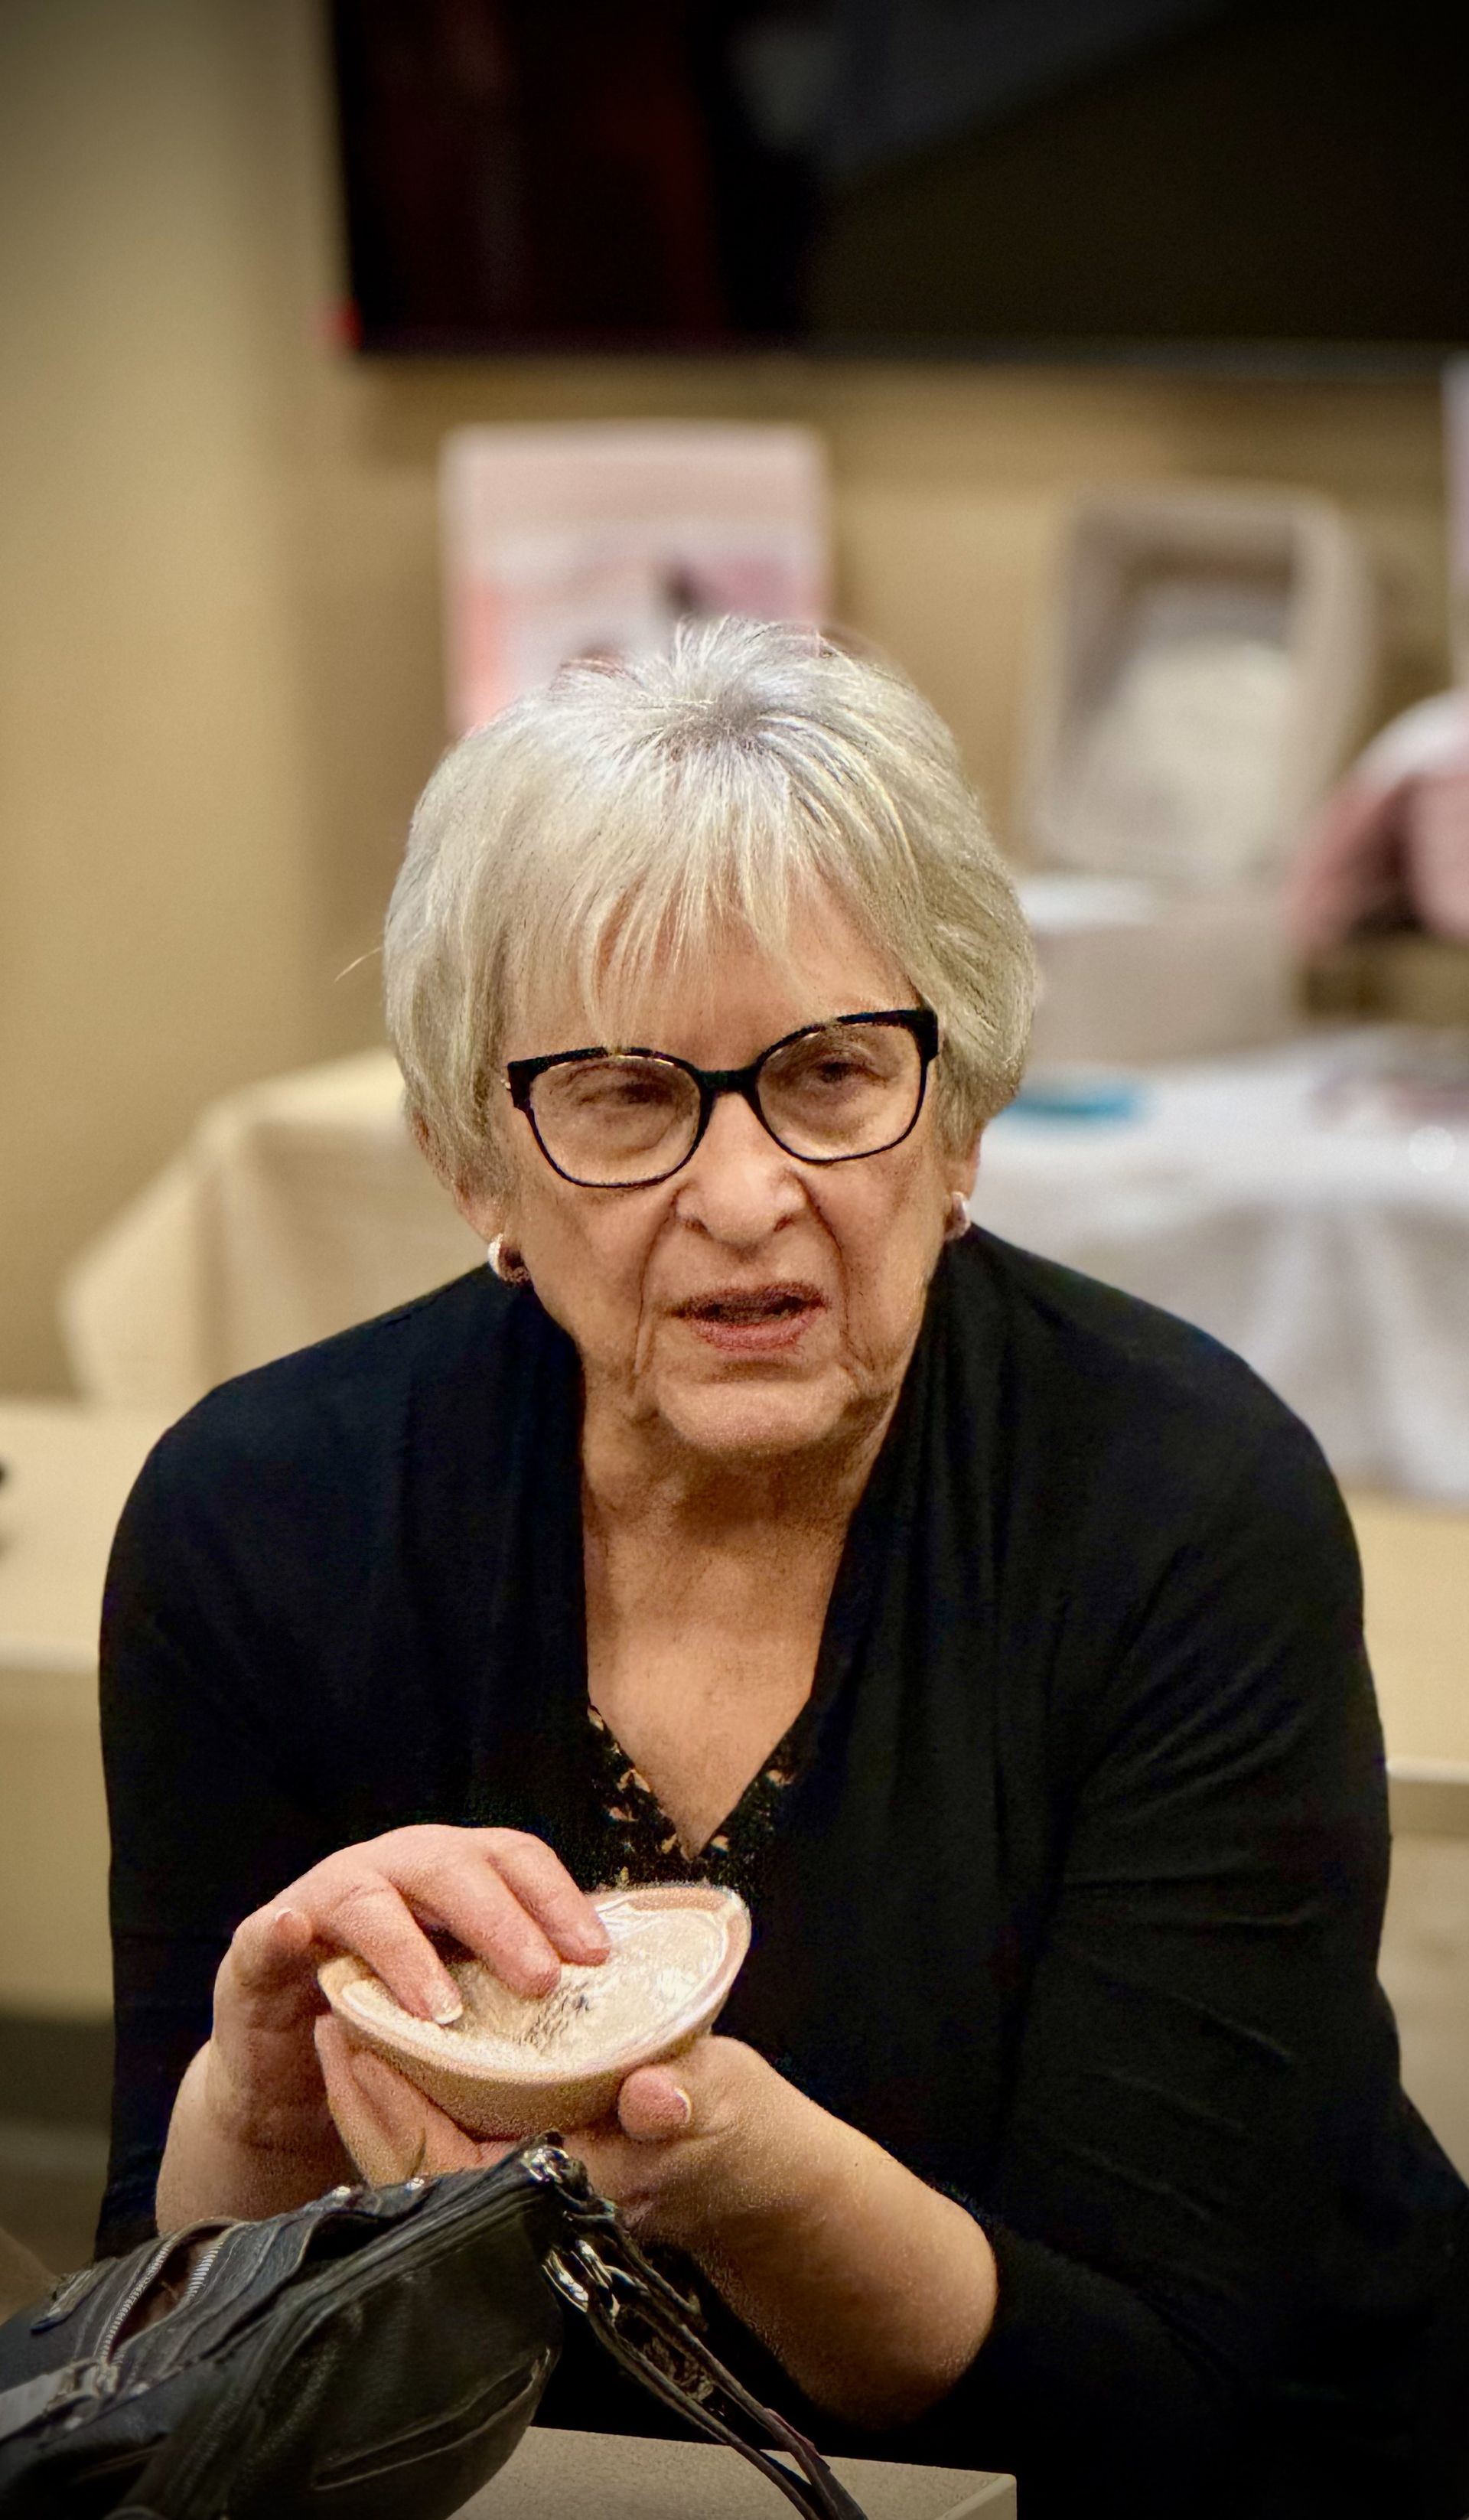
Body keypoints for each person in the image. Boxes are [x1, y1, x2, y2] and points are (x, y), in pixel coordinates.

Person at [98, 620, 1468, 2520]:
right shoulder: (257, 1522)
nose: (747, 1196)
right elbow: (156, 2357)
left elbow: (1161, 2391)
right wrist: (251, 2122)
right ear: (471, 1163)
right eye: (626, 1096)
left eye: (832, 1072)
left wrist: (724, 2165)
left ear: (967, 1112)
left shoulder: (1178, 1503)